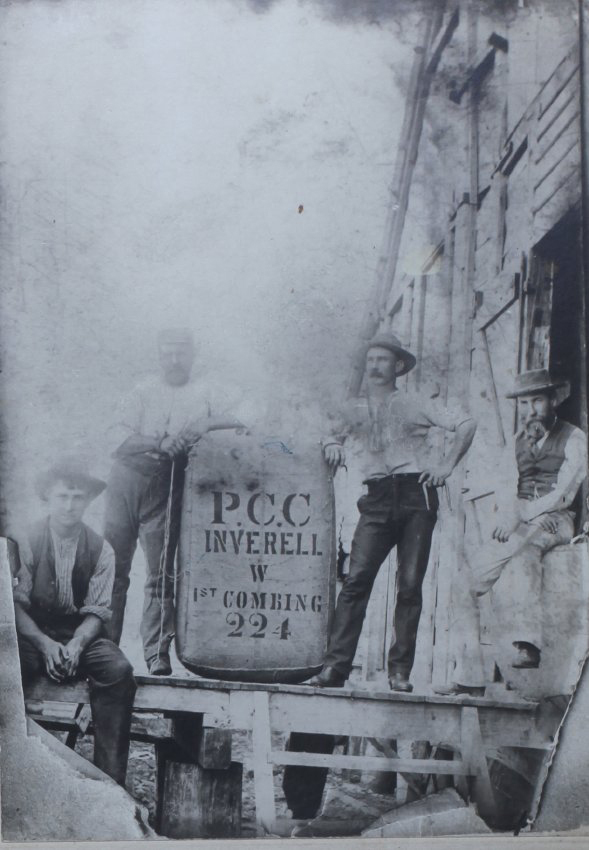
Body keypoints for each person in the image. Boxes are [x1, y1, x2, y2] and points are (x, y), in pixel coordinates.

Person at [309, 332, 477, 691]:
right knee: (356, 582)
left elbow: (466, 424)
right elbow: (323, 431)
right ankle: (335, 668)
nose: (375, 366)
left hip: (417, 495)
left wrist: (446, 466)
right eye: (371, 360)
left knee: (410, 586)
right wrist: (331, 442)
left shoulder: (416, 402)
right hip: (377, 498)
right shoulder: (352, 408)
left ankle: (399, 672)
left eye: (383, 360)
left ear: (398, 366)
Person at [104, 327, 245, 675]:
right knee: (113, 570)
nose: (174, 359)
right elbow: (116, 437)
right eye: (167, 352)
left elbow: (249, 414)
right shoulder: (142, 391)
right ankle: (104, 650)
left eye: (181, 352)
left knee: (161, 571)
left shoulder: (205, 390)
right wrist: (158, 439)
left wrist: (207, 423)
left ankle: (156, 653)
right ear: (158, 355)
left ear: (193, 353)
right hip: (127, 479)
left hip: (166, 483)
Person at [12, 455, 136, 786]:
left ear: (88, 501)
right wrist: (44, 643)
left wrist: (78, 644)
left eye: (77, 497)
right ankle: (11, 774)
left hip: (79, 634)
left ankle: (111, 784)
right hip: (31, 633)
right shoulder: (24, 541)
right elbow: (12, 606)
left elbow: (97, 610)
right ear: (48, 498)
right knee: (5, 668)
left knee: (118, 670)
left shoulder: (101, 549)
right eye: (62, 496)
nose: (69, 505)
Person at [468, 369, 587, 672]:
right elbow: (506, 485)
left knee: (523, 555)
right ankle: (469, 674)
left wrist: (527, 515)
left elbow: (565, 492)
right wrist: (513, 516)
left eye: (537, 401)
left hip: (557, 520)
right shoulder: (517, 441)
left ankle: (528, 645)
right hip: (521, 520)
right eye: (524, 403)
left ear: (553, 401)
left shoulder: (574, 437)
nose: (530, 410)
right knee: (468, 580)